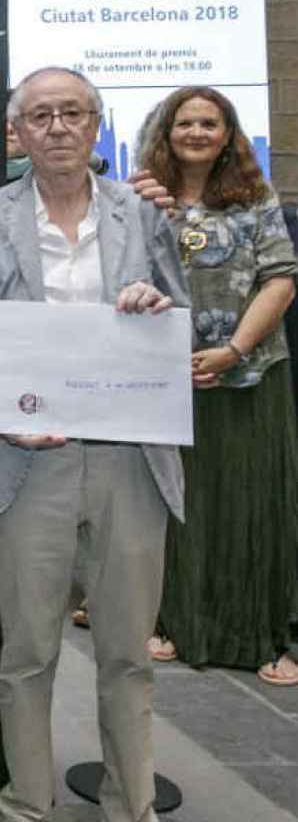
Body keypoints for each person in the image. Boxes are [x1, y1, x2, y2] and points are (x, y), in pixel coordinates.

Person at [0, 66, 186, 822]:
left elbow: (183, 317)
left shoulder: (144, 214)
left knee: (127, 655)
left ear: (96, 126)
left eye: (74, 114)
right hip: (29, 461)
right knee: (26, 657)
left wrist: (157, 306)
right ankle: (28, 804)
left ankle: (133, 807)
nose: (58, 128)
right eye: (41, 116)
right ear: (15, 133)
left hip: (130, 460)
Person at [132, 87, 298, 684]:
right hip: (164, 379)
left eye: (210, 122)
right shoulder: (141, 198)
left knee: (252, 507)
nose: (197, 132)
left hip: (248, 377)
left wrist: (232, 351)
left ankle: (262, 636)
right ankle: (174, 622)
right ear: (165, 132)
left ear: (228, 134)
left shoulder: (256, 198)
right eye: (185, 122)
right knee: (177, 508)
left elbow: (280, 279)